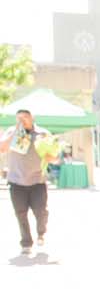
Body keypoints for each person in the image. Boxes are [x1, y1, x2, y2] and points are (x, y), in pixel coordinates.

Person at [0, 108, 58, 254]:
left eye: (25, 117)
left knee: (41, 211)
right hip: (16, 180)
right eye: (19, 118)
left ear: (33, 118)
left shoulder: (42, 133)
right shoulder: (11, 132)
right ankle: (26, 242)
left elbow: (54, 155)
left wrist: (52, 158)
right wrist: (16, 130)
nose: (22, 120)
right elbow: (2, 148)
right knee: (21, 213)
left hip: (37, 180)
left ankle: (41, 232)